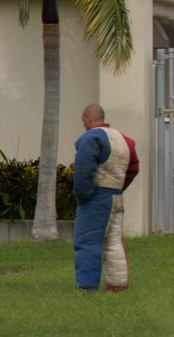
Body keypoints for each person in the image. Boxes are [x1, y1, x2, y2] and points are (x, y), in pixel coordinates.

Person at [73, 103, 140, 292]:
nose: (83, 125)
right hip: (116, 197)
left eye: (83, 121)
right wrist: (118, 188)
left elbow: (84, 170)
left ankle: (86, 287)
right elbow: (134, 168)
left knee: (87, 241)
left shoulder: (91, 137)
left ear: (88, 118)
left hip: (96, 196)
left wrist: (82, 195)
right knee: (114, 242)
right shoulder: (125, 140)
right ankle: (117, 285)